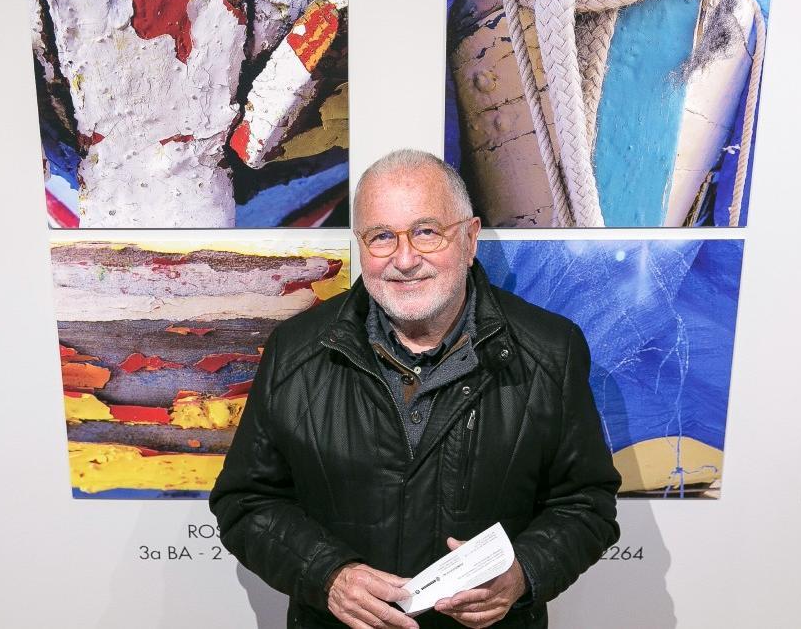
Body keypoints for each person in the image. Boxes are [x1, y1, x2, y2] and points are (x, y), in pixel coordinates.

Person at [210, 149, 619, 628]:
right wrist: (328, 575)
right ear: (361, 245)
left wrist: (523, 573)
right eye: (382, 236)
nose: (404, 260)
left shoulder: (551, 350)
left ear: (470, 239)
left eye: (426, 231)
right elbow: (246, 502)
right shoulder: (296, 351)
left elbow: (586, 504)